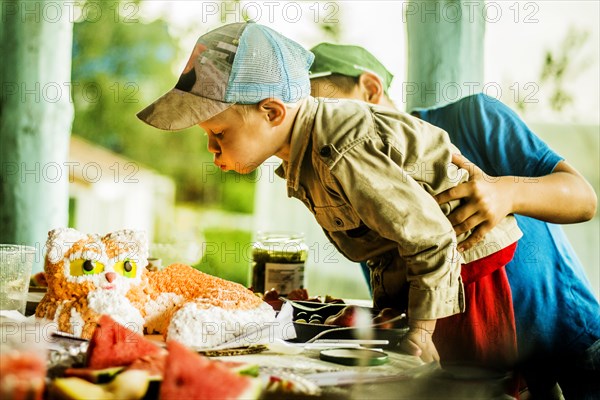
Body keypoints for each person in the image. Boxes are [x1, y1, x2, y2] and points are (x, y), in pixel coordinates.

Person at [137, 21, 525, 374]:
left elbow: (431, 237)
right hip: (424, 270)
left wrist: (422, 331)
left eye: (218, 133)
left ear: (272, 112)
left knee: (468, 384)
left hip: (462, 268)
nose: (211, 148)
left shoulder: (339, 146)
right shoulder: (302, 149)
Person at [308, 42, 600, 399]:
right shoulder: (350, 185)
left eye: (329, 111)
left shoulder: (472, 117)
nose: (322, 131)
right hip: (482, 376)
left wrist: (506, 192)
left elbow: (584, 199)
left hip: (572, 338)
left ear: (370, 89)